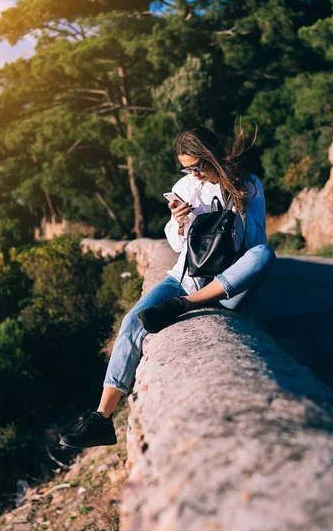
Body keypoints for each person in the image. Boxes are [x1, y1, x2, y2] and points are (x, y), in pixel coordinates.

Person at [59, 123, 276, 449]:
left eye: (197, 166)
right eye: (186, 168)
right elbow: (176, 246)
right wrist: (180, 222)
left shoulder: (248, 186)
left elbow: (255, 244)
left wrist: (238, 214)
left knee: (265, 255)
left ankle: (189, 304)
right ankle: (101, 421)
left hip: (227, 288)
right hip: (183, 278)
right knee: (133, 320)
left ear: (212, 156)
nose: (193, 174)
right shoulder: (186, 188)